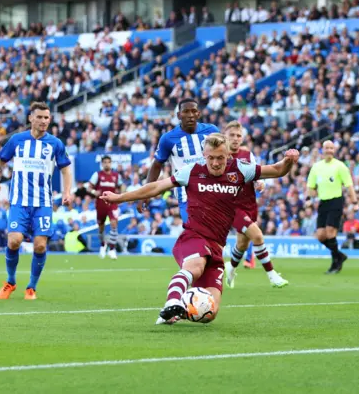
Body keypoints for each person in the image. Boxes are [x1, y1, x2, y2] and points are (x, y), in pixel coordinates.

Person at [101, 133, 299, 324]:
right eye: (211, 158)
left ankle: (179, 311)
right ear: (204, 156)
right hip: (192, 237)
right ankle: (172, 302)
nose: (215, 163)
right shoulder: (192, 170)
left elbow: (276, 170)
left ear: (228, 155)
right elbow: (156, 187)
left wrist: (289, 160)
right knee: (195, 267)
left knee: (209, 312)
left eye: (220, 158)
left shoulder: (240, 169)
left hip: (216, 247)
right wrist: (119, 198)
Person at [0, 101, 73, 300]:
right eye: (40, 117)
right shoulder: (17, 140)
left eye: (46, 118)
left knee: (40, 246)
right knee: (14, 240)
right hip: (19, 201)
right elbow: (0, 162)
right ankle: (10, 281)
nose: (43, 121)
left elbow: (65, 169)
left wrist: (67, 192)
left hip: (43, 203)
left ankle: (31, 287)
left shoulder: (55, 143)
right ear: (31, 118)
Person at [222, 121, 288, 288]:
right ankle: (272, 275)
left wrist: (259, 183)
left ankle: (231, 267)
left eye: (238, 136)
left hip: (249, 203)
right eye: (232, 135)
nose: (236, 139)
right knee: (257, 236)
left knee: (243, 244)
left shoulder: (247, 154)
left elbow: (255, 173)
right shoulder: (220, 157)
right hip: (231, 206)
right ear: (225, 137)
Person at [138, 98, 218, 223]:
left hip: (213, 191)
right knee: (195, 230)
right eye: (186, 111)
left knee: (214, 235)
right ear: (179, 115)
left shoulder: (212, 131)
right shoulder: (168, 138)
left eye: (193, 111)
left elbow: (225, 157)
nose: (190, 115)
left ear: (198, 114)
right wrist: (146, 193)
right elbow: (157, 165)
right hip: (186, 196)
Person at [306, 140, 358, 274]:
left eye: (331, 148)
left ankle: (335, 264)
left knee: (330, 232)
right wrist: (309, 198)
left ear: (334, 150)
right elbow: (310, 186)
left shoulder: (340, 166)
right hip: (323, 202)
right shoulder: (316, 167)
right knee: (320, 236)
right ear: (322, 150)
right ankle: (339, 255)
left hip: (336, 201)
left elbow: (349, 185)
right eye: (327, 148)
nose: (329, 150)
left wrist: (355, 202)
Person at [88, 155, 123, 260]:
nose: (107, 164)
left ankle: (112, 249)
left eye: (109, 162)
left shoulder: (116, 176)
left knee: (114, 223)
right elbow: (89, 187)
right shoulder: (97, 175)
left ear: (111, 163)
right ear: (102, 164)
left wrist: (120, 193)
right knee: (101, 227)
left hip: (112, 204)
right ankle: (103, 245)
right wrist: (95, 192)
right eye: (105, 162)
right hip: (101, 204)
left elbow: (121, 186)